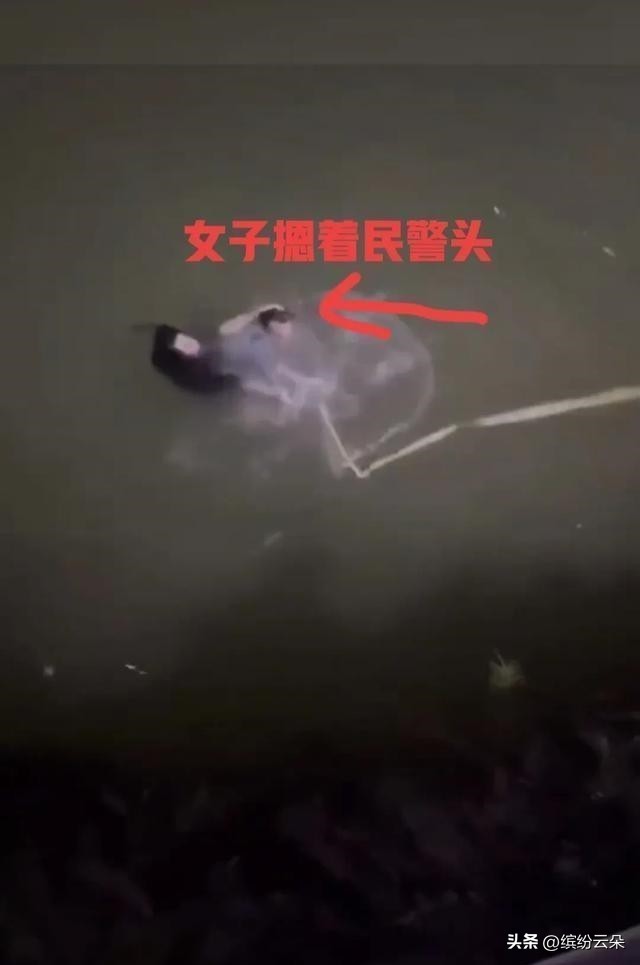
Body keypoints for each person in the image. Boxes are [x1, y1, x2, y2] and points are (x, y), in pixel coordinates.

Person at [150, 304, 293, 395]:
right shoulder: (261, 346)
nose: (288, 325)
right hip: (205, 375)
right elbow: (259, 380)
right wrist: (276, 391)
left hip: (207, 364)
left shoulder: (254, 336)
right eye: (282, 320)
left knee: (166, 335)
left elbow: (223, 331)